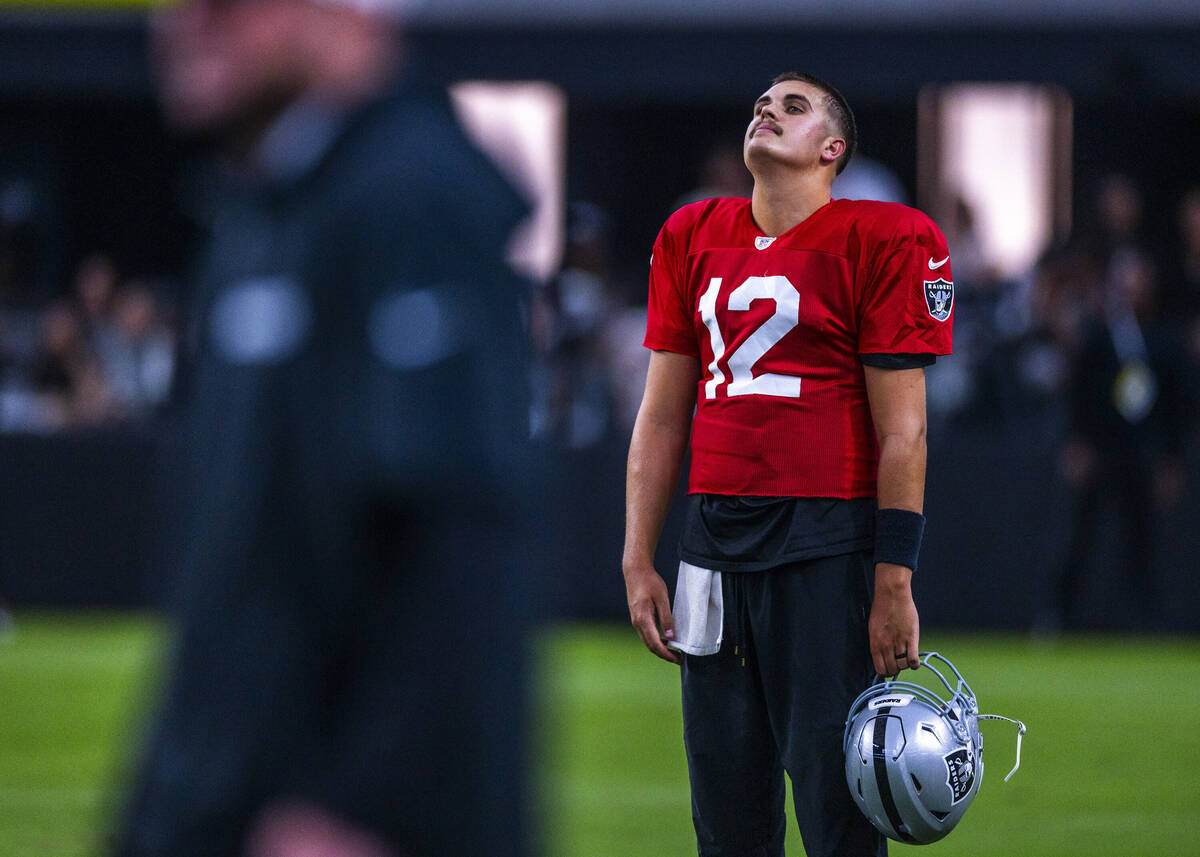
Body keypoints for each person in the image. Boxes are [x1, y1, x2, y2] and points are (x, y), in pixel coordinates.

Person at [113, 1, 534, 856]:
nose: (182, 22)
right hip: (222, 798)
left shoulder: (412, 196)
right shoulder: (266, 207)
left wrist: (358, 803)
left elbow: (460, 537)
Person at [622, 72, 954, 856]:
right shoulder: (690, 234)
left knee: (838, 809)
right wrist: (639, 554)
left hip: (824, 540)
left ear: (832, 150)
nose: (768, 110)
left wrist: (893, 578)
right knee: (726, 813)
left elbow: (904, 431)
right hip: (710, 547)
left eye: (794, 106)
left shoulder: (885, 238)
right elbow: (664, 415)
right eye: (762, 104)